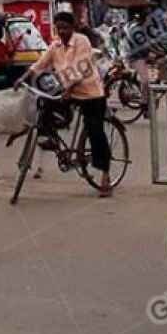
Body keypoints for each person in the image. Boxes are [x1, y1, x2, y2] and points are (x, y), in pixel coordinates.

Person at [15, 11, 113, 197]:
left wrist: (69, 89)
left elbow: (82, 67)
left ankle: (105, 175)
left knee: (95, 132)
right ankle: (49, 137)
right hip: (69, 90)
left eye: (65, 27)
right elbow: (41, 64)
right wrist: (23, 77)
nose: (62, 31)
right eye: (59, 28)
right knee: (44, 102)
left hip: (90, 93)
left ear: (73, 27)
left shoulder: (82, 41)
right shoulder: (56, 45)